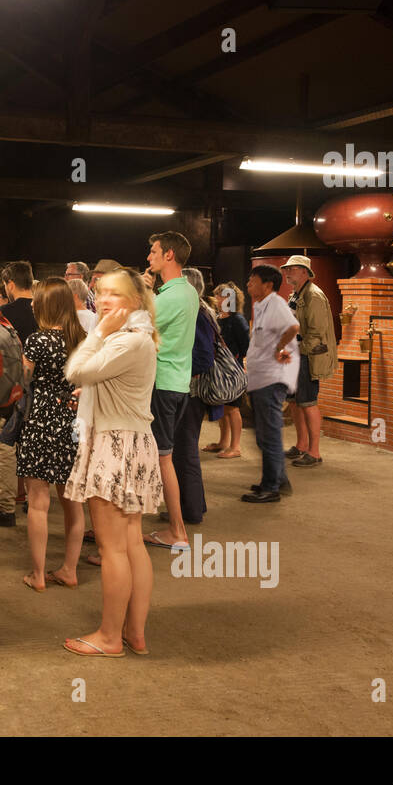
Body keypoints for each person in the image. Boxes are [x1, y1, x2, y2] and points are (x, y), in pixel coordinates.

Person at [62, 268, 163, 657]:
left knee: (114, 550)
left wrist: (97, 333)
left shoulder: (126, 342)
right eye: (101, 292)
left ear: (135, 301)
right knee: (131, 543)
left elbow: (76, 370)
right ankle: (134, 633)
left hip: (114, 446)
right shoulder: (137, 339)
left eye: (115, 295)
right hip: (132, 442)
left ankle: (109, 638)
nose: (104, 301)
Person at [18, 279, 86, 592]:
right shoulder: (82, 339)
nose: (32, 304)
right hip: (73, 420)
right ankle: (70, 570)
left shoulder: (37, 340)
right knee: (73, 502)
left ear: (47, 305)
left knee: (38, 502)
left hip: (40, 419)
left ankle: (37, 573)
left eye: (37, 300)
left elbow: (22, 380)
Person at [143, 232, 199, 552]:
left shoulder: (167, 298)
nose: (149, 257)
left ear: (169, 255)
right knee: (164, 457)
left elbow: (134, 327)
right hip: (178, 383)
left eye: (153, 252)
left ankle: (177, 531)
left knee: (163, 458)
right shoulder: (188, 292)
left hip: (162, 384)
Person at [241, 265, 300, 503]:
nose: (248, 285)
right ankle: (278, 480)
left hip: (271, 379)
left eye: (253, 280)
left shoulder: (275, 303)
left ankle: (271, 487)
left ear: (267, 285)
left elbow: (293, 327)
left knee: (269, 434)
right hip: (261, 379)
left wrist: (279, 348)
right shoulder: (260, 305)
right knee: (265, 435)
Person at [0, 261, 37, 527]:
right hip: (39, 391)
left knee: (4, 447)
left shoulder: (2, 312)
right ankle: (33, 499)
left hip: (9, 389)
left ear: (9, 284)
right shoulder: (44, 311)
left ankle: (4, 506)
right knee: (31, 445)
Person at [166, 267, 216, 531]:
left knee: (185, 452)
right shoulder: (200, 311)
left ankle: (192, 510)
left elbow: (204, 357)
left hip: (190, 391)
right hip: (188, 389)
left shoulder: (196, 314)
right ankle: (193, 505)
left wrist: (181, 369)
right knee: (183, 452)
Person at [282, 255, 337, 468]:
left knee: (308, 402)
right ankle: (301, 445)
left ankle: (314, 452)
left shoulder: (314, 296)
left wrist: (297, 351)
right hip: (297, 355)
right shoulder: (297, 294)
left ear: (304, 271)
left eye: (292, 269)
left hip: (308, 356)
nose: (287, 272)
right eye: (287, 269)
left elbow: (316, 333)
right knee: (295, 402)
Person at [207, 281, 249, 459]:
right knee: (222, 406)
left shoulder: (237, 320)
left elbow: (246, 346)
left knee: (233, 408)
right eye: (217, 295)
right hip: (219, 370)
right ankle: (223, 442)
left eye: (221, 295)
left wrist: (239, 362)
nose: (217, 298)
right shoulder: (217, 318)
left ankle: (236, 446)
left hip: (233, 370)